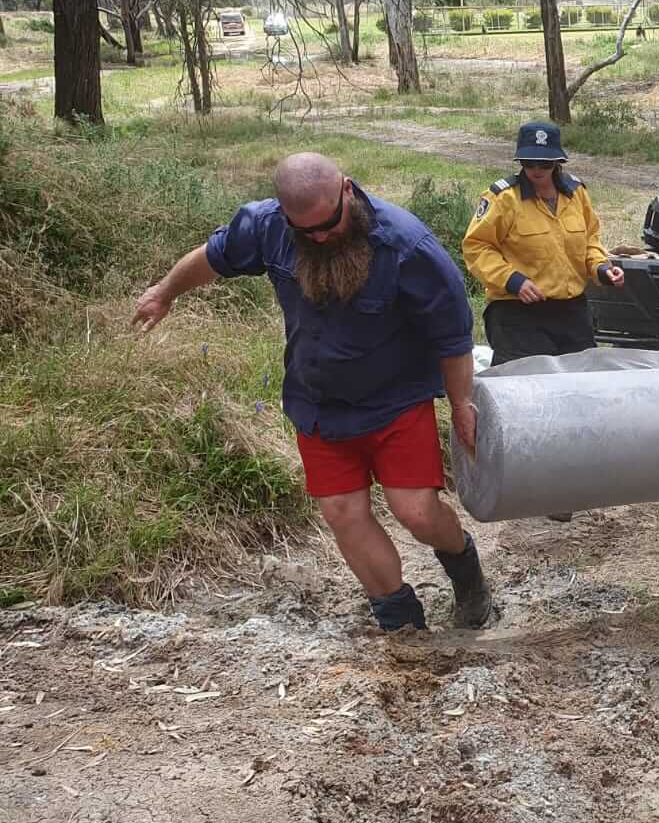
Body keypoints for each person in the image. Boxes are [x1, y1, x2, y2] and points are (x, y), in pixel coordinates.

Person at [132, 153, 492, 633]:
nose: (321, 237)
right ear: (285, 216)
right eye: (307, 231)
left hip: (396, 402)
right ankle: (402, 624)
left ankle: (465, 569)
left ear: (347, 190)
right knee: (343, 513)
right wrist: (164, 292)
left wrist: (461, 402)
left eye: (329, 225)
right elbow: (213, 257)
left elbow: (451, 337)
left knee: (418, 513)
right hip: (318, 403)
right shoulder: (266, 226)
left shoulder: (407, 246)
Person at [462, 120, 623, 367]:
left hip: (571, 311)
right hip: (517, 312)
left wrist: (602, 269)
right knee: (529, 385)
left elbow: (590, 239)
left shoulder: (576, 193)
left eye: (545, 164)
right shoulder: (503, 198)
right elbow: (477, 247)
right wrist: (513, 281)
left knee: (582, 383)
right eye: (529, 163)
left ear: (557, 162)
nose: (536, 170)